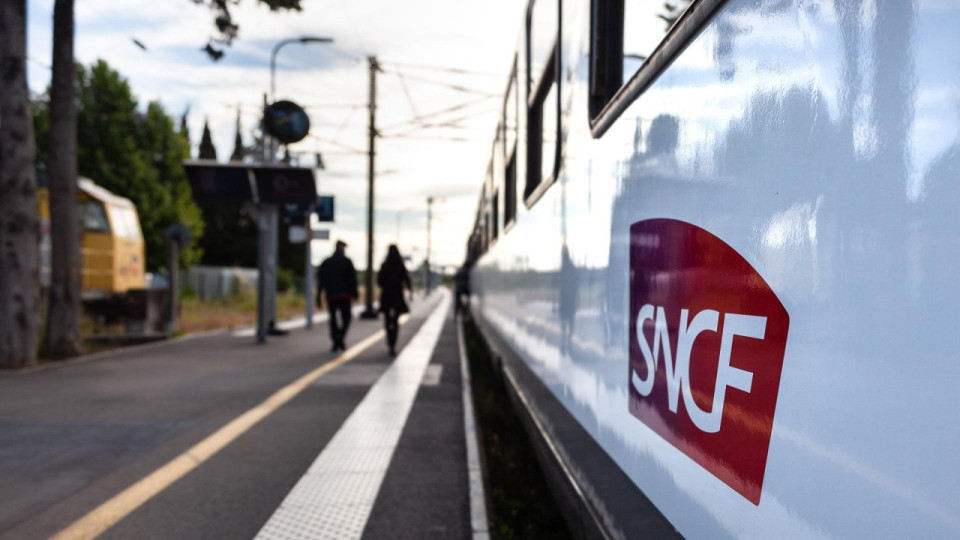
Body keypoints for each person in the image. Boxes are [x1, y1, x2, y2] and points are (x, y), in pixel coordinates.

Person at [317, 240, 358, 352]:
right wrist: (355, 293)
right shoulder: (347, 261)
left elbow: (321, 281)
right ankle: (340, 336)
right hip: (345, 295)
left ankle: (336, 339)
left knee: (333, 319)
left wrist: (318, 296)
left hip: (331, 295)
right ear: (342, 248)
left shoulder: (327, 262)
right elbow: (353, 279)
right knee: (346, 318)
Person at [377, 244, 412, 356]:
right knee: (396, 320)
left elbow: (379, 281)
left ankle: (389, 340)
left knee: (387, 320)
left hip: (387, 296)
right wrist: (410, 291)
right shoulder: (400, 265)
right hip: (397, 295)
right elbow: (406, 279)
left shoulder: (385, 265)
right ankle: (393, 344)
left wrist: (386, 286)